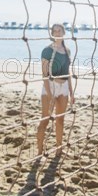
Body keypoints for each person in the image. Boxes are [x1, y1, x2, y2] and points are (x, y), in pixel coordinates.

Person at [36, 23, 75, 157]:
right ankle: (40, 151)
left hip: (64, 87)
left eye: (59, 30)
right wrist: (51, 95)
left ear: (64, 33)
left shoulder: (67, 51)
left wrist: (71, 92)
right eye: (55, 31)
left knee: (60, 120)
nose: (57, 33)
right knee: (45, 119)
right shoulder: (47, 51)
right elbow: (44, 75)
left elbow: (68, 73)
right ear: (52, 33)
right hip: (50, 87)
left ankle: (59, 149)